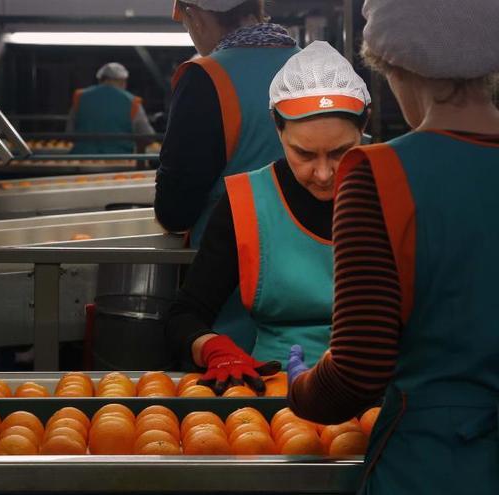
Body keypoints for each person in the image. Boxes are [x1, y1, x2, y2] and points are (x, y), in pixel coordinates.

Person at [287, 1, 499, 493]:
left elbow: (358, 374)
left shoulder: (376, 173)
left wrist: (302, 390)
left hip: (438, 464)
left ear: (391, 64)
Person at [165, 41, 371, 395]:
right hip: (277, 397)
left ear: (364, 127)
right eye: (304, 153)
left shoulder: (394, 193)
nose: (323, 174)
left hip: (375, 390)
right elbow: (185, 315)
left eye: (340, 152)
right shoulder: (246, 202)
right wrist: (213, 347)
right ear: (278, 129)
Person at [156, 0, 299, 248]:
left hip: (231, 267)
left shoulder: (204, 77)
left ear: (195, 17)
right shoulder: (318, 65)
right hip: (317, 264)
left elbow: (175, 211)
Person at [67, 63, 154, 155]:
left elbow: (69, 133)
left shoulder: (80, 97)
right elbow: (148, 136)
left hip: (82, 158)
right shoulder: (132, 102)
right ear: (122, 81)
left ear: (100, 80)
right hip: (120, 160)